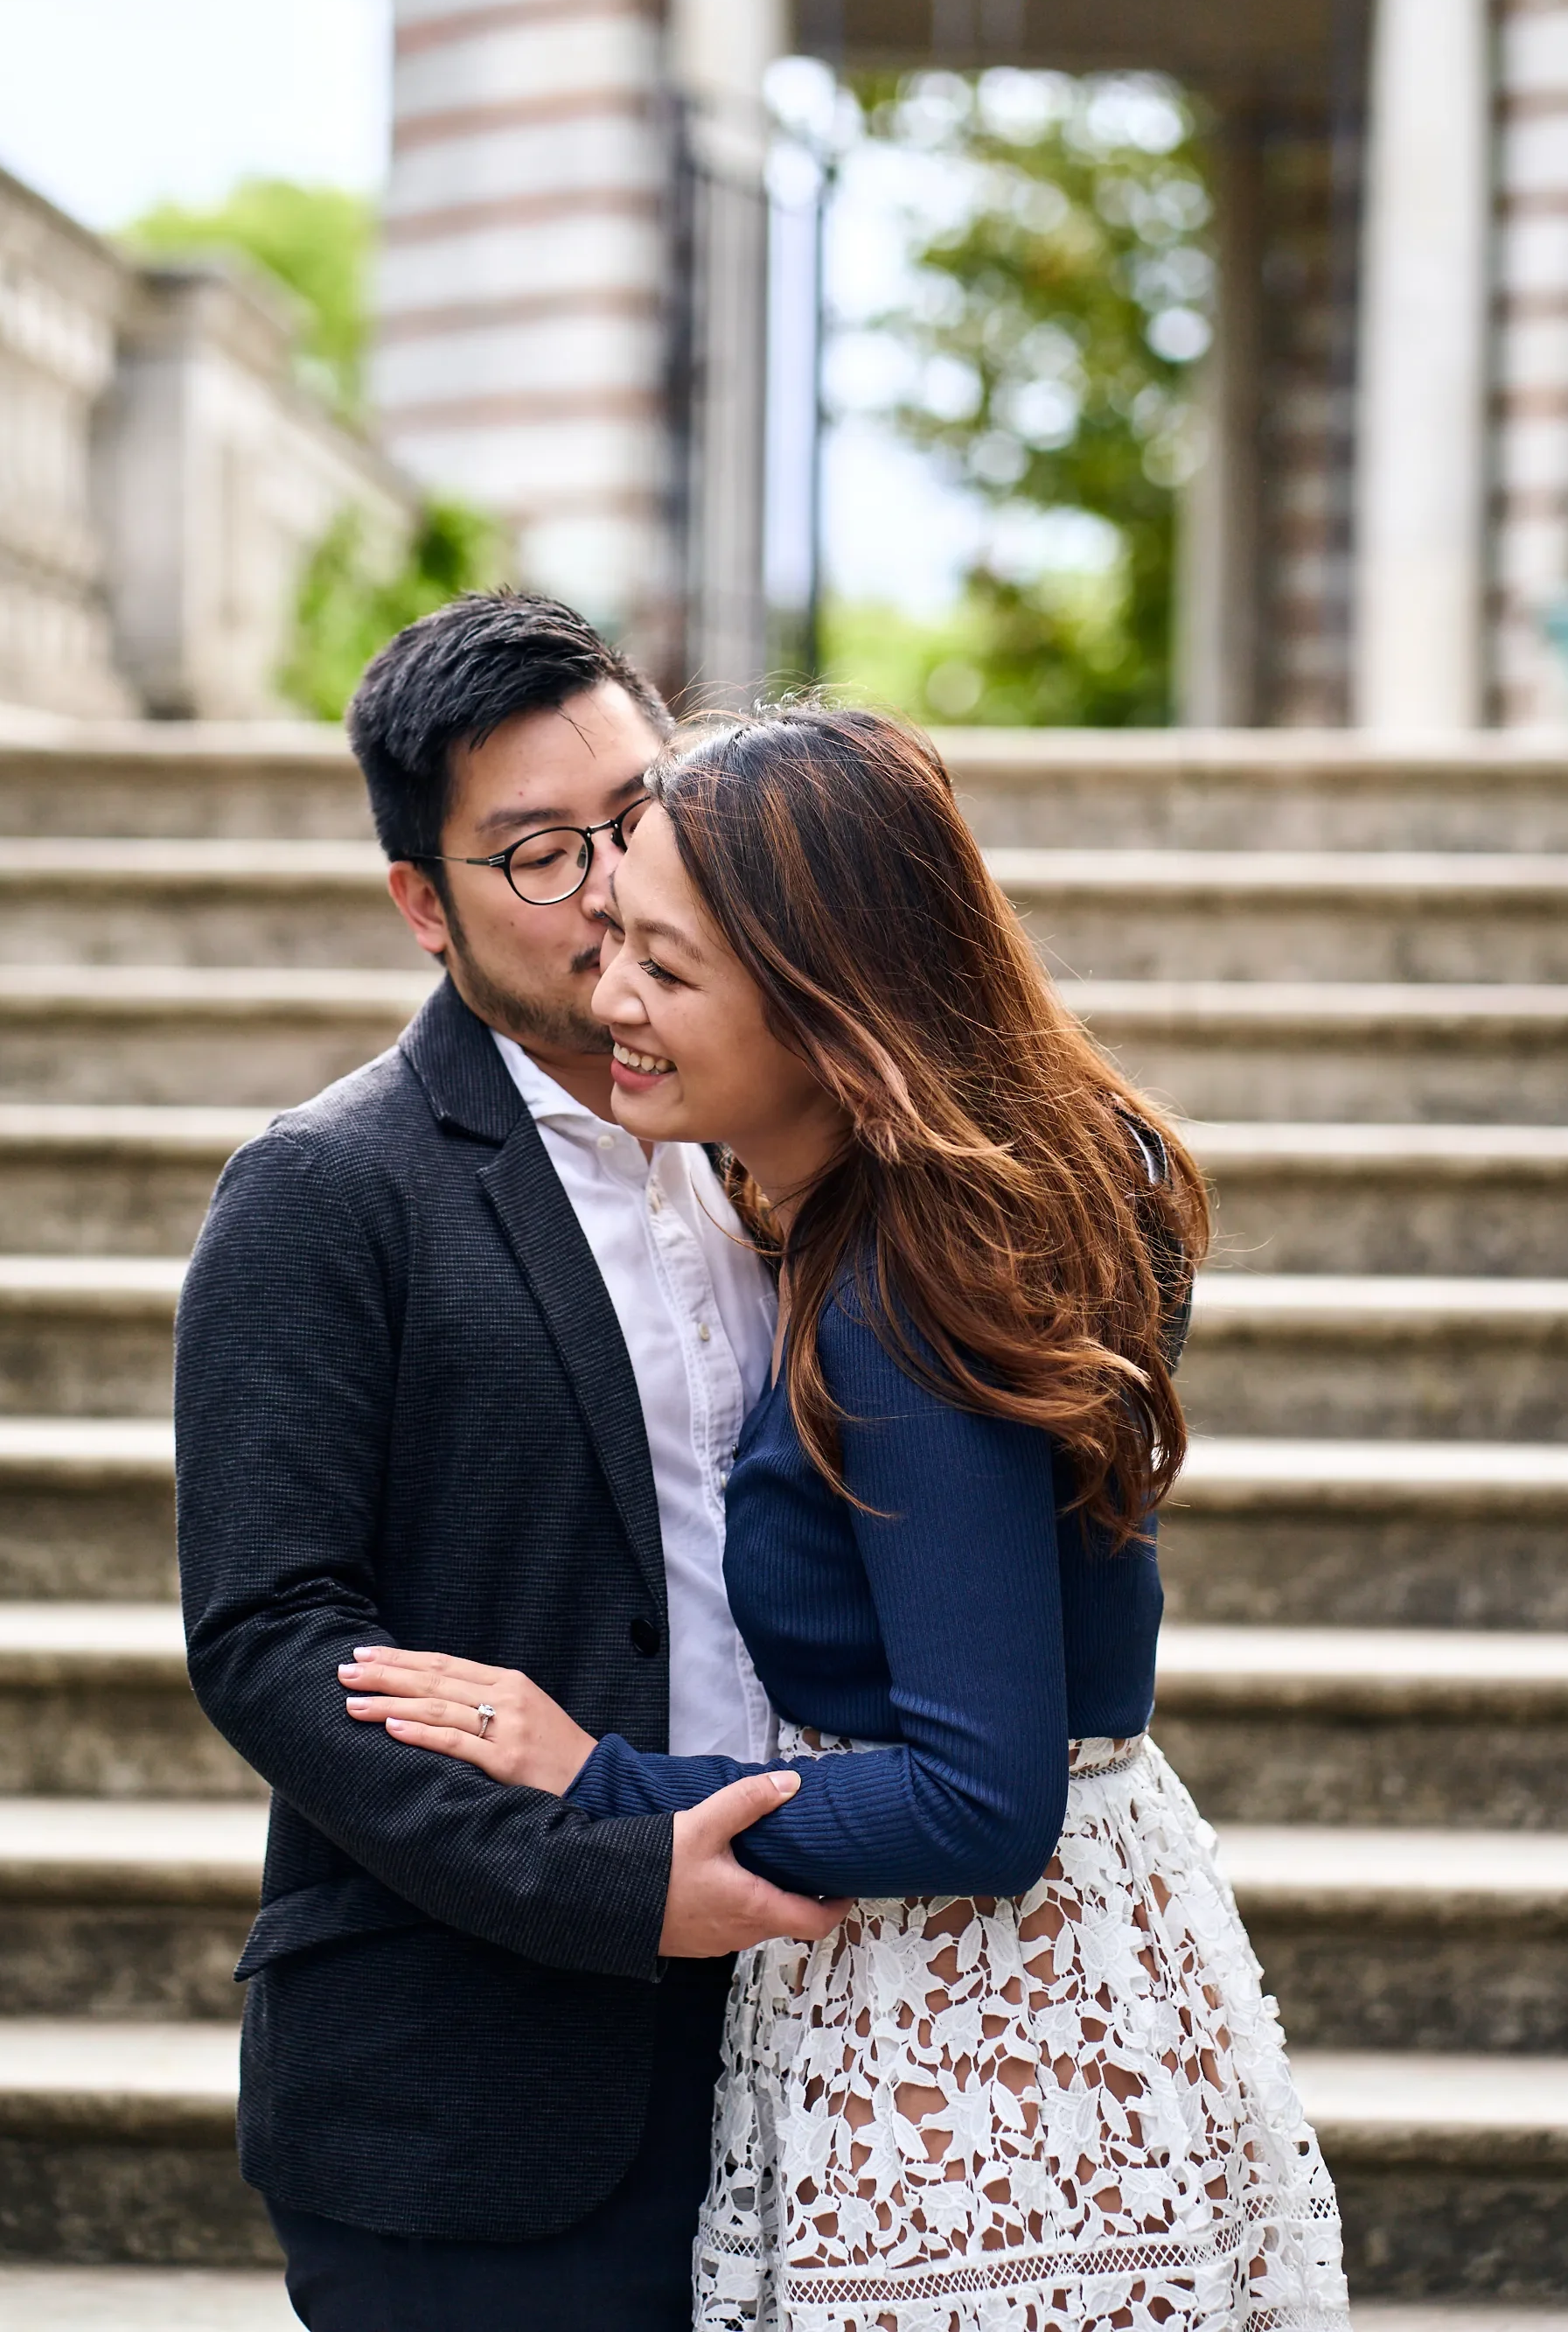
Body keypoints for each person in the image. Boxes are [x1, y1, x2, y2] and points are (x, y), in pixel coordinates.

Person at [340, 704, 1352, 2332]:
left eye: (667, 971)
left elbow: (980, 1800)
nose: (610, 1004)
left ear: (827, 1003)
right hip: (1025, 1982)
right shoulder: (895, 1226)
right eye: (612, 949)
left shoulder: (902, 1296)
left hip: (979, 2028)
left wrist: (593, 1775)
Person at [174, 595, 848, 2332]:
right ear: (423, 904)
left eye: (639, 815)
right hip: (465, 2091)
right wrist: (618, 1882)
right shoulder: (326, 1190)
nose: (616, 885)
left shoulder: (767, 1144)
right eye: (544, 855)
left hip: (802, 2026)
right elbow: (270, 1637)